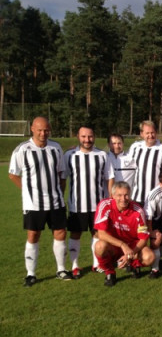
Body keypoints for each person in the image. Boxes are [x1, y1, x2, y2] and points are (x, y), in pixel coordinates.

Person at [9, 116, 73, 286]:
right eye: (39, 130)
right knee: (33, 235)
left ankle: (61, 269)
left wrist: (58, 191)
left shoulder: (56, 147)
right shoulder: (22, 149)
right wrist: (27, 191)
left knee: (60, 233)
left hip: (56, 201)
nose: (43, 133)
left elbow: (62, 174)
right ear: (32, 129)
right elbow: (13, 174)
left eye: (46, 130)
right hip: (33, 203)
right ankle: (31, 274)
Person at [62, 126, 114, 278]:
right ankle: (75, 266)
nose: (87, 140)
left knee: (97, 234)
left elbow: (109, 177)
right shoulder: (69, 155)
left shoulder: (102, 155)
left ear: (94, 137)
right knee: (75, 234)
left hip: (98, 206)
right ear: (78, 136)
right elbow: (63, 178)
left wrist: (109, 200)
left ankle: (97, 264)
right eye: (83, 136)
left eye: (90, 136)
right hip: (76, 204)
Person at [93, 181, 154, 286]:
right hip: (114, 245)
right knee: (99, 246)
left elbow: (143, 238)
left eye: (126, 195)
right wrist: (122, 245)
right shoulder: (104, 205)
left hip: (132, 244)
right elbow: (101, 234)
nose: (123, 198)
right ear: (112, 196)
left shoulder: (138, 210)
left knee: (149, 257)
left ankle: (134, 265)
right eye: (119, 195)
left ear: (130, 195)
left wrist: (130, 254)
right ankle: (110, 272)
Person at [129, 120, 162, 204]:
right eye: (147, 133)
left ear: (156, 133)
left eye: (152, 132)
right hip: (137, 196)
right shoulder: (135, 147)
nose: (150, 136)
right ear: (141, 134)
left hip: (157, 197)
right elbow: (129, 169)